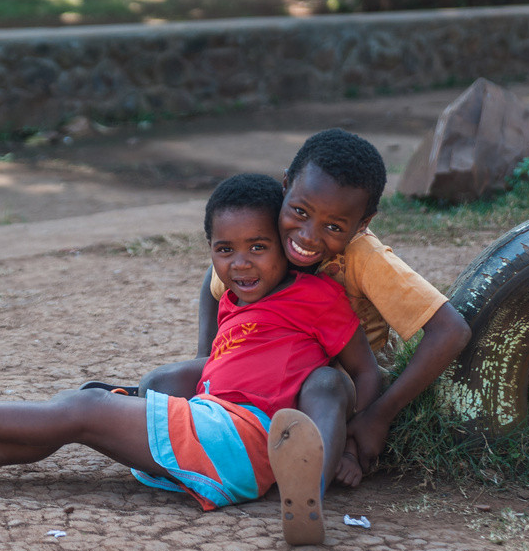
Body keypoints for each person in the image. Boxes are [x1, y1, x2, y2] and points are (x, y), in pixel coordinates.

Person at [0, 173, 381, 545]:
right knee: (84, 412)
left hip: (242, 436)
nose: (240, 263)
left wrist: (350, 449)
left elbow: (361, 373)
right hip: (217, 442)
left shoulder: (315, 296)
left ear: (283, 245)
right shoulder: (236, 298)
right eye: (225, 250)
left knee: (81, 411)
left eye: (258, 247)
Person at [141, 128, 472, 488]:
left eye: (333, 226)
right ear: (285, 185)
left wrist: (379, 415)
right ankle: (186, 458)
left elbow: (451, 330)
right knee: (159, 384)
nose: (308, 236)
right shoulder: (268, 236)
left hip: (337, 386)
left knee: (324, 384)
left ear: (362, 223)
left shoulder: (364, 258)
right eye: (300, 211)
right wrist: (208, 356)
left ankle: (310, 484)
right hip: (262, 368)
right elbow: (213, 282)